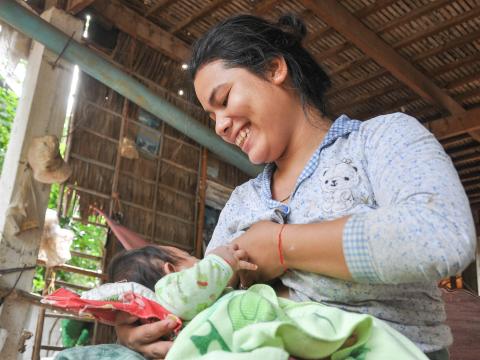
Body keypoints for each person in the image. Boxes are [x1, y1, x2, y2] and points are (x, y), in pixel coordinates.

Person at [115, 14, 476, 360]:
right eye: (212, 118)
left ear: (274, 68)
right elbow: (209, 311)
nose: (220, 126)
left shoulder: (378, 140)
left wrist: (280, 246)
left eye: (223, 101)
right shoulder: (242, 202)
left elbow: (440, 235)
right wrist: (150, 327)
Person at [58, 245, 428, 360]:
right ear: (170, 271)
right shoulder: (174, 293)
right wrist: (222, 260)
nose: (201, 259)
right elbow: (189, 289)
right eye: (191, 256)